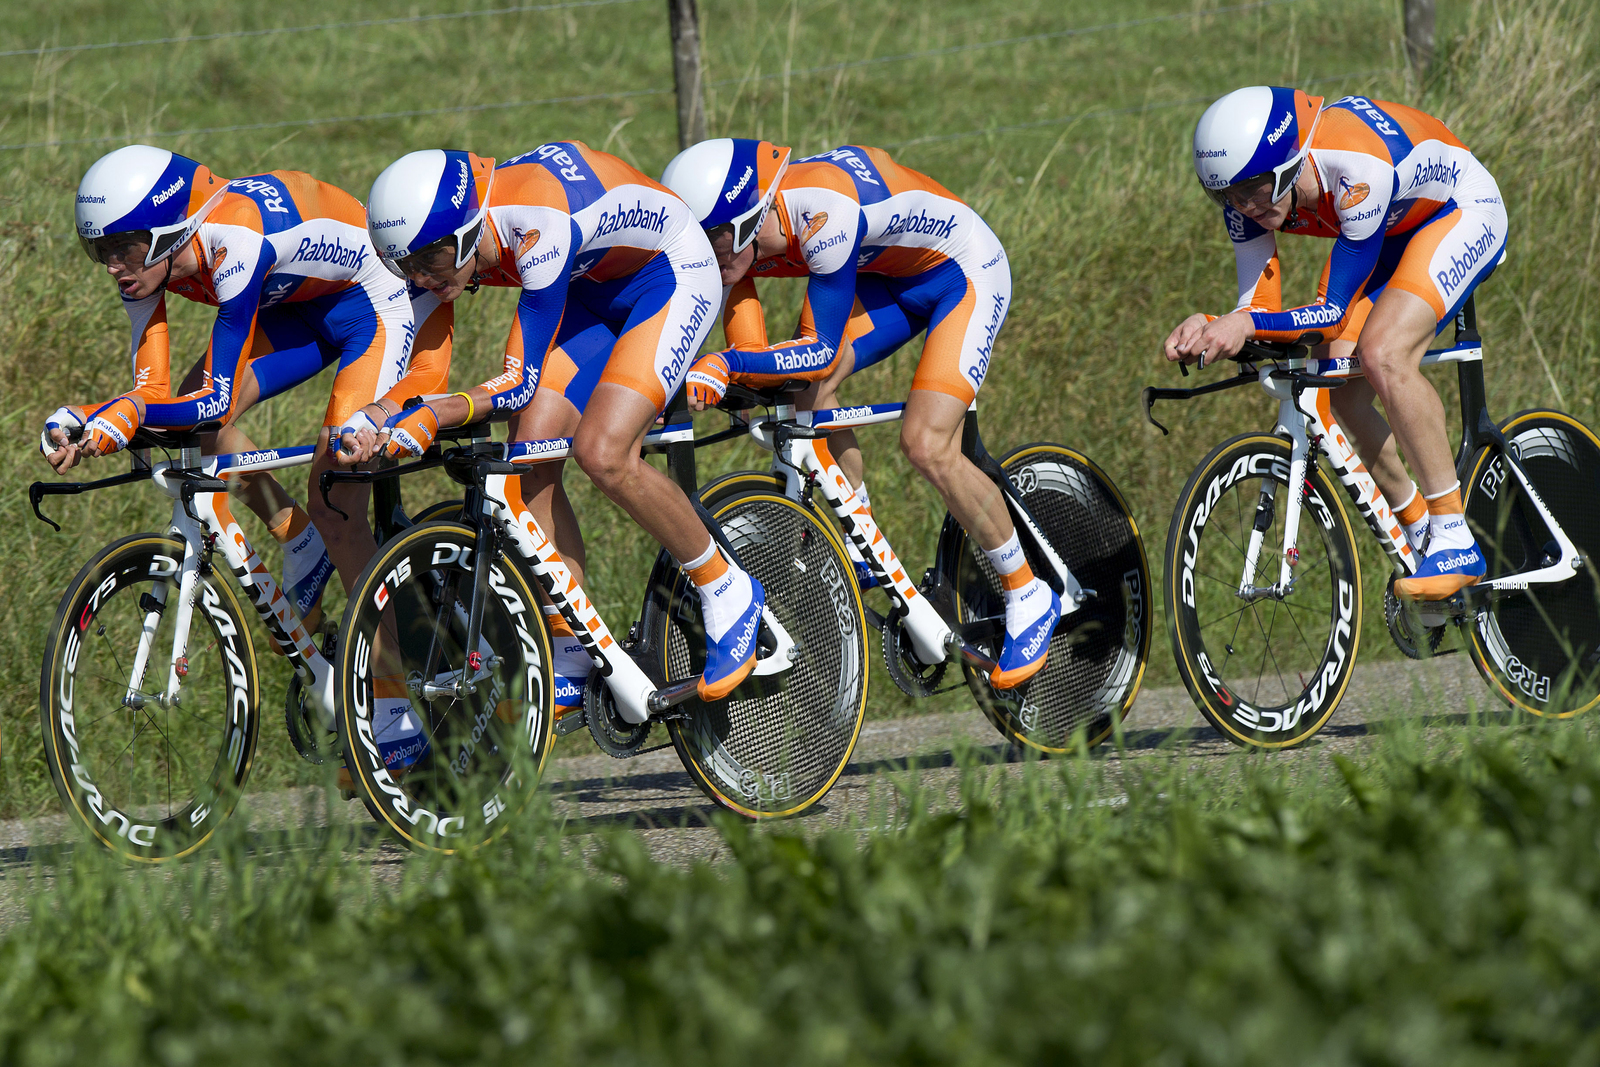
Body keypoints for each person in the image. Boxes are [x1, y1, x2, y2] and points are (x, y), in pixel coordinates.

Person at [364, 143, 755, 706]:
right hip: (590, 289)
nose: (422, 278)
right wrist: (371, 417)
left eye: (431, 262)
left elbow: (516, 383)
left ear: (471, 232)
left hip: (671, 274)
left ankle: (726, 587)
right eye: (403, 266)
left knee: (604, 452)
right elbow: (408, 360)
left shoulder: (535, 224)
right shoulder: (444, 246)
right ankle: (571, 642)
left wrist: (436, 413)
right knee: (529, 460)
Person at [659, 138, 1055, 688]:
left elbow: (817, 349)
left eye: (714, 238)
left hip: (963, 272)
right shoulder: (740, 236)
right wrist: (723, 375)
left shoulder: (822, 212)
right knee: (805, 393)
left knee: (926, 443)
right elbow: (754, 345)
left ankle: (1026, 590)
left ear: (751, 218)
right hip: (888, 273)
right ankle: (858, 528)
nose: (707, 252)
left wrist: (725, 365)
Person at [50, 145, 435, 634]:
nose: (112, 266)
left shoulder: (236, 241)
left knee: (335, 503)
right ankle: (298, 538)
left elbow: (211, 404)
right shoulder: (146, 265)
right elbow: (152, 391)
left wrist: (124, 412)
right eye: (100, 250)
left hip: (372, 304)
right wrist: (86, 417)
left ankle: (389, 701)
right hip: (294, 300)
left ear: (169, 231)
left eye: (122, 247)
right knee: (188, 434)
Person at [1164, 87, 1507, 600]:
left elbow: (1329, 313)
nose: (1243, 207)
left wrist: (1247, 326)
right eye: (1227, 197)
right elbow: (1257, 304)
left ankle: (1455, 535)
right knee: (1336, 386)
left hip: (1457, 212)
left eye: (1253, 191)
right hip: (1391, 229)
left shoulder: (1353, 167)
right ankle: (1420, 533)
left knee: (1384, 355)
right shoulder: (1247, 192)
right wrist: (1216, 323)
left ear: (1288, 165)